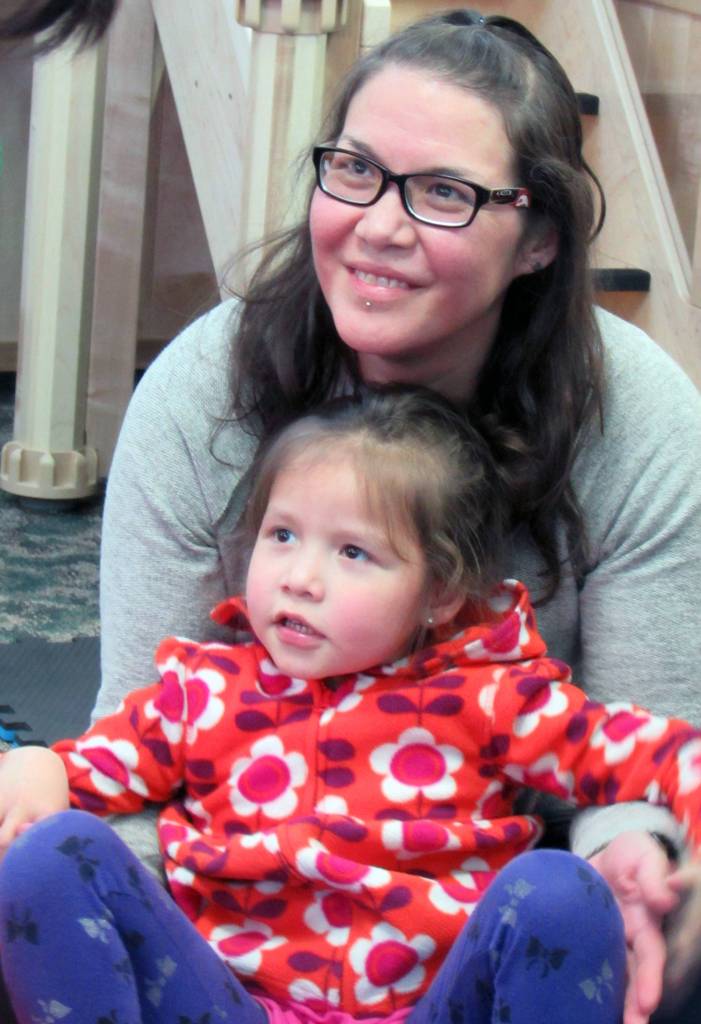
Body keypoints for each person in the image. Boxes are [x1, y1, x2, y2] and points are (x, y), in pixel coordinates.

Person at [3, 4, 701, 1020]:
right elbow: (130, 763)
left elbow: (636, 756)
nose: (379, 224)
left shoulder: (632, 427)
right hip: (227, 950)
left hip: (484, 934)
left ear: (538, 238)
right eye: (355, 170)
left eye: (444, 194)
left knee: (631, 922)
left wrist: (637, 856)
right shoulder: (204, 395)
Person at [0, 385, 700, 1024]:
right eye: (281, 536)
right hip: (226, 1005)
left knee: (561, 892)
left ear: (440, 594)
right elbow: (93, 767)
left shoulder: (492, 699)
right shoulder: (200, 694)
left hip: (428, 1009)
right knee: (47, 858)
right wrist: (38, 764)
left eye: (354, 553)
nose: (300, 578)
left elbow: (653, 753)